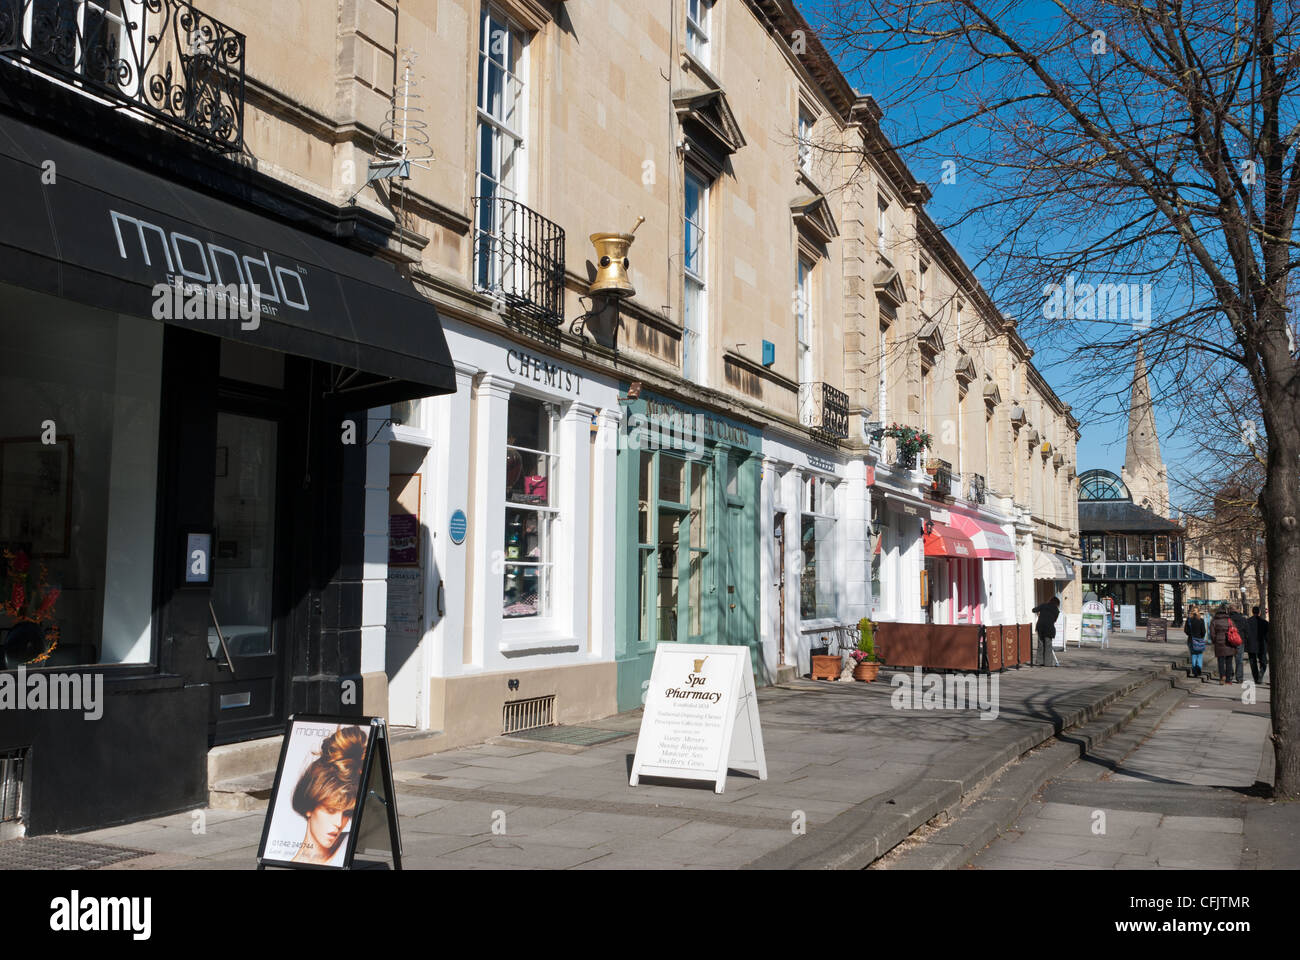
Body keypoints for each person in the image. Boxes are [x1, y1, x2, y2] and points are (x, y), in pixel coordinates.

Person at [290, 725, 367, 866]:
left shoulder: (348, 843)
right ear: (309, 807)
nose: (339, 823)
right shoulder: (278, 852)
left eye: (346, 813)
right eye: (331, 810)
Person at [1210, 604, 1237, 684]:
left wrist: (1215, 640)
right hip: (1229, 642)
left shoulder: (1214, 620)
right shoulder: (1229, 620)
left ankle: (1222, 677)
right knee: (1229, 661)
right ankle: (1228, 680)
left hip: (1219, 642)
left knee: (1220, 661)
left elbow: (1212, 633)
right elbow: (1235, 630)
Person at [1031, 596, 1061, 666]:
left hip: (1040, 626)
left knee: (1040, 644)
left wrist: (1039, 613)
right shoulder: (1056, 610)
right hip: (1049, 628)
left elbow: (1033, 610)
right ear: (1057, 603)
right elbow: (1054, 620)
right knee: (1048, 645)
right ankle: (1048, 663)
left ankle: (1039, 661)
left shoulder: (1043, 605)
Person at [1228, 604, 1250, 688]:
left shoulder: (1228, 619)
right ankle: (1239, 677)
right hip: (1240, 641)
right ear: (1238, 610)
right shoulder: (1243, 619)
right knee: (1239, 660)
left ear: (1230, 610)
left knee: (1229, 659)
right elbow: (1247, 631)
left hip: (1229, 641)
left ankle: (1230, 676)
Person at [1247, 605, 1270, 684]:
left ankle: (1256, 678)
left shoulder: (1248, 622)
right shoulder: (1265, 623)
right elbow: (1267, 635)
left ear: (1252, 612)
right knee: (1263, 661)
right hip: (1262, 645)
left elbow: (1246, 634)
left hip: (1251, 645)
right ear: (1259, 612)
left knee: (1253, 662)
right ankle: (1261, 674)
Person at [1184, 605, 1207, 677]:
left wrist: (1190, 635)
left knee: (1193, 655)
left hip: (1191, 639)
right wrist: (1201, 637)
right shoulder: (1201, 620)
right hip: (1199, 639)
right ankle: (1199, 668)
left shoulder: (1189, 620)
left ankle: (1194, 670)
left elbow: (1186, 630)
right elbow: (1204, 631)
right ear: (1198, 612)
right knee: (1199, 655)